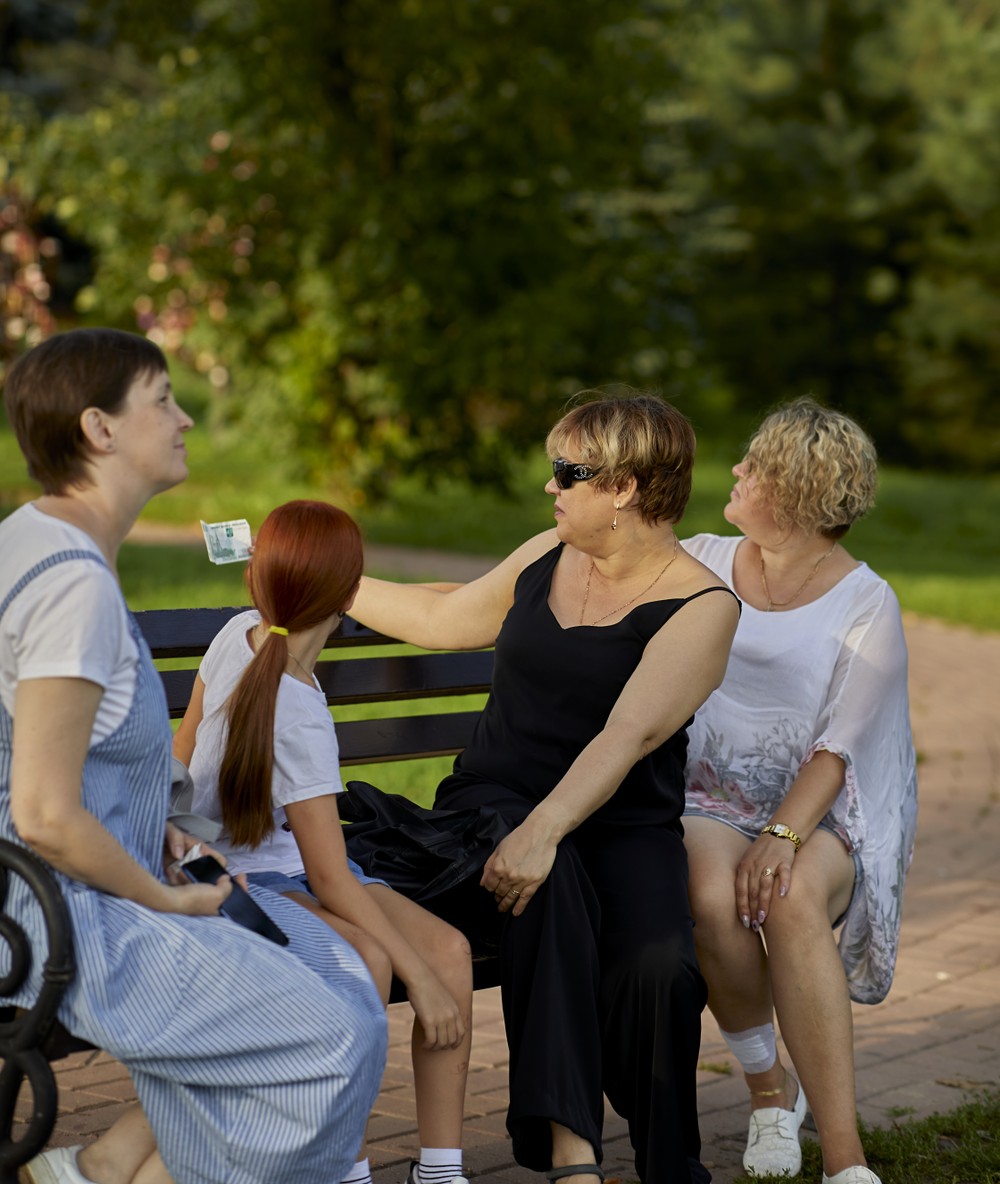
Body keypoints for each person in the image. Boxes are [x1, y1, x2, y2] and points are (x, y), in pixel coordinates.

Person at [0, 329, 386, 1184]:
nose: (185, 419)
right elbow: (45, 813)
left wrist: (164, 828)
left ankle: (100, 1170)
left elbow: (75, 754)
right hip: (55, 914)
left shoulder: (38, 539)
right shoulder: (70, 584)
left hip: (90, 881)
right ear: (99, 428)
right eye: (164, 399)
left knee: (338, 976)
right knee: (330, 1037)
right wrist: (166, 900)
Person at [346, 391, 742, 1184]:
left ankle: (672, 1166)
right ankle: (572, 1157)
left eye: (568, 472)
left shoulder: (702, 605)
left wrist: (546, 829)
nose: (550, 486)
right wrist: (319, 578)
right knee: (548, 890)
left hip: (622, 823)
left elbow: (629, 735)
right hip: (493, 802)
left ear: (623, 488)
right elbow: (445, 620)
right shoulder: (547, 553)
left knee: (660, 966)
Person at [172, 499, 473, 1184]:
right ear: (346, 596)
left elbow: (182, 745)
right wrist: (420, 982)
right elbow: (330, 878)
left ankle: (441, 1170)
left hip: (293, 865)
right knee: (367, 960)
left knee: (450, 953)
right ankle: (344, 1168)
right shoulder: (298, 715)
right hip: (248, 877)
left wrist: (430, 972)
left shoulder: (242, 631)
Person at [681, 398, 918, 1184]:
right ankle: (769, 1096)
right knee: (712, 893)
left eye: (753, 466)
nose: (736, 471)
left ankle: (845, 1159)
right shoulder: (700, 560)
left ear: (793, 492)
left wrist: (781, 837)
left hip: (821, 811)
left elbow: (839, 747)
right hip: (709, 796)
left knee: (788, 897)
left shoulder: (866, 602)